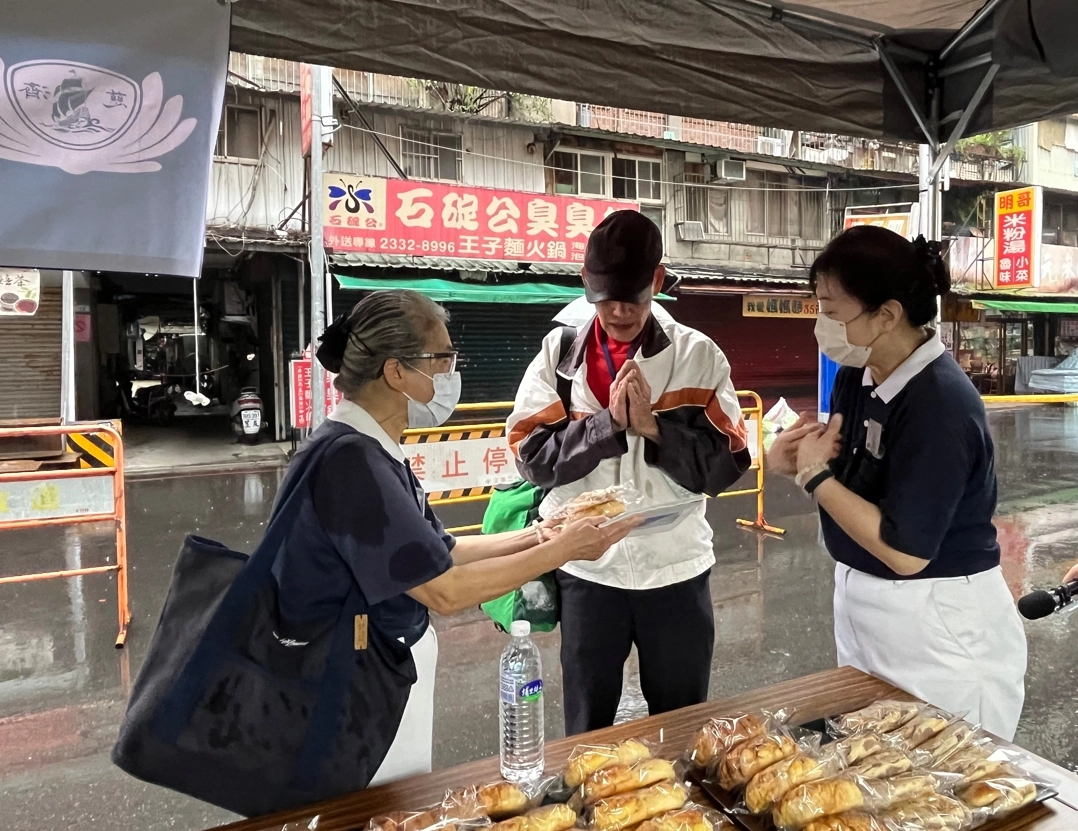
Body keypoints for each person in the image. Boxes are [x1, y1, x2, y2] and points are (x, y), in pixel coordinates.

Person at [276, 289, 636, 789]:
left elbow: (442, 550)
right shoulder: (350, 462)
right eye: (442, 358)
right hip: (352, 682)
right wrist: (564, 550)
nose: (452, 372)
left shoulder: (373, 449)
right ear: (396, 371)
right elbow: (444, 589)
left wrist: (538, 535)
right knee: (377, 811)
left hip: (375, 669)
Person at [768, 226, 1027, 740]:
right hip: (868, 611)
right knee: (870, 772)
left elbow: (907, 553)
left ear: (886, 315)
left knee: (943, 786)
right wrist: (794, 457)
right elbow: (842, 471)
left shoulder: (940, 404)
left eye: (832, 311)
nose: (822, 325)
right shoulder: (857, 373)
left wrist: (815, 477)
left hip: (938, 628)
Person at [507, 210, 752, 735]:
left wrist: (654, 428)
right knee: (587, 727)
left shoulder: (698, 356)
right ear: (585, 283)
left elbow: (725, 465)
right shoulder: (559, 353)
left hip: (676, 566)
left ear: (658, 282)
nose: (618, 311)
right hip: (588, 570)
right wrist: (606, 426)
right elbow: (532, 457)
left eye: (634, 296)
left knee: (683, 722)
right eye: (604, 297)